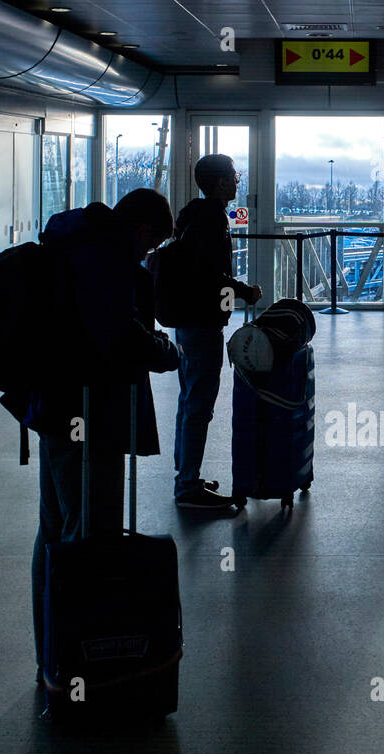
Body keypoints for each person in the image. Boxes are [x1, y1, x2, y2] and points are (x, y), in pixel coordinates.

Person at [30, 188, 181, 678]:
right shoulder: (107, 257)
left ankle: (53, 653)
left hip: (57, 407)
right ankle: (78, 660)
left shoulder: (74, 244)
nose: (149, 253)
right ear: (140, 230)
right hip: (92, 414)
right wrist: (163, 352)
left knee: (56, 528)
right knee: (88, 532)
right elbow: (115, 335)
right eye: (152, 243)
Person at [169, 154, 262, 509]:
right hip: (202, 321)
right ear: (221, 182)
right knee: (199, 404)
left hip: (189, 321)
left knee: (189, 399)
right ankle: (187, 486)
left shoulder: (192, 215)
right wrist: (244, 291)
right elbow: (209, 275)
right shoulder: (211, 219)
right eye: (234, 176)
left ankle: (186, 476)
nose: (238, 181)